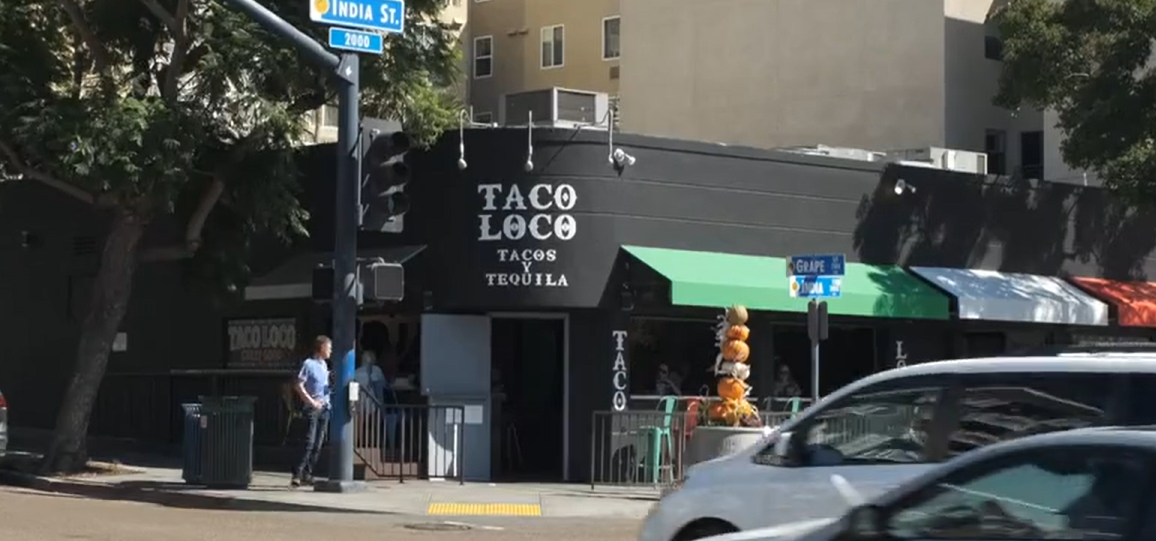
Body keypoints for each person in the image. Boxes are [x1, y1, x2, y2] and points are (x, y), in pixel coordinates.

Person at [292, 335, 332, 488]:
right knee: (308, 441)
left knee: (318, 443)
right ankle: (297, 473)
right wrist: (311, 401)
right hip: (312, 407)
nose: (330, 351)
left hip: (324, 407)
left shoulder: (325, 366)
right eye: (329, 348)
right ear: (321, 348)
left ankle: (307, 474)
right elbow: (298, 385)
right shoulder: (308, 364)